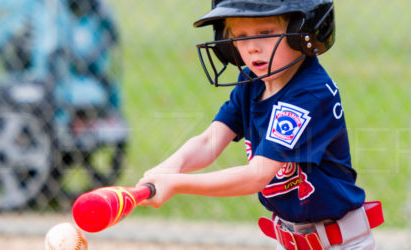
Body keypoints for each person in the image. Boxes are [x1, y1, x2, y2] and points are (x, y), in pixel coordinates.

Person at [136, 0, 383, 249]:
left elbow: (256, 176)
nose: (252, 48)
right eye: (240, 36)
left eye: (265, 33)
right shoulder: (252, 83)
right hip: (289, 241)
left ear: (302, 32)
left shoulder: (310, 93)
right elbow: (209, 141)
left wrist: (177, 184)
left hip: (340, 244)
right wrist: (165, 170)